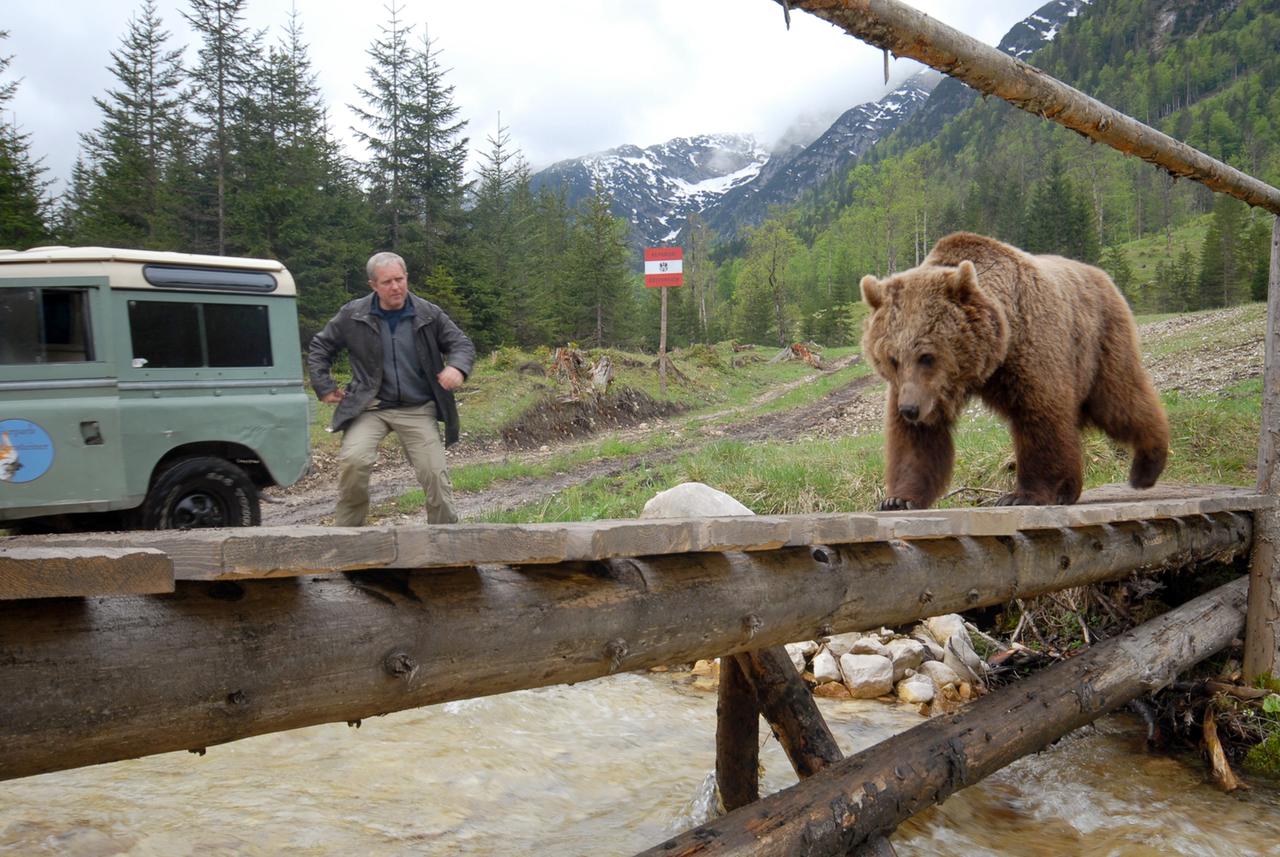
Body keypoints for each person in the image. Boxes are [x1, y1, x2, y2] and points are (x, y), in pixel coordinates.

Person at [307, 251, 475, 526]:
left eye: (399, 279)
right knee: (353, 462)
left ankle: (445, 542)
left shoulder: (429, 314)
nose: (395, 287)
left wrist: (457, 367)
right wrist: (324, 385)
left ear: (407, 277)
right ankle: (349, 539)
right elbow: (320, 346)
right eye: (387, 282)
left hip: (417, 407)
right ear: (373, 285)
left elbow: (461, 344)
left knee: (434, 474)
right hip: (369, 406)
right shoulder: (353, 314)